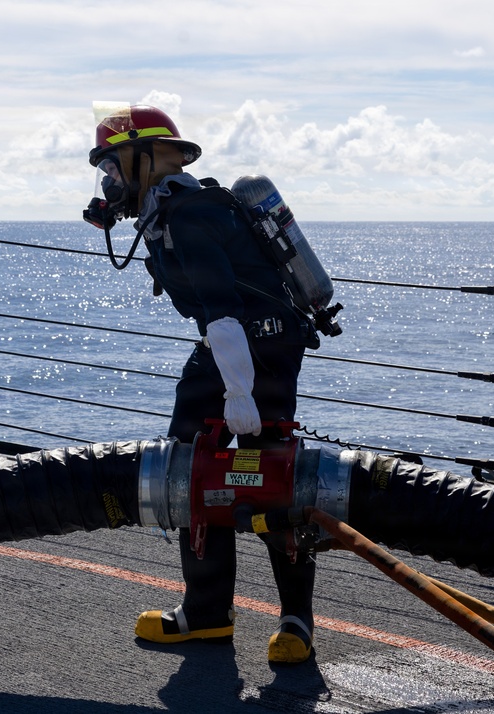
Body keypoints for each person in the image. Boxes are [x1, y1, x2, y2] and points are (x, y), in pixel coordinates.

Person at [85, 104, 316, 664]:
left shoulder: (189, 217)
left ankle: (295, 623)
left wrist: (240, 392)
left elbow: (222, 306)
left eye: (112, 168)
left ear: (144, 160)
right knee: (189, 471)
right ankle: (207, 612)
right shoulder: (172, 214)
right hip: (232, 345)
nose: (108, 182)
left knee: (270, 475)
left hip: (254, 346)